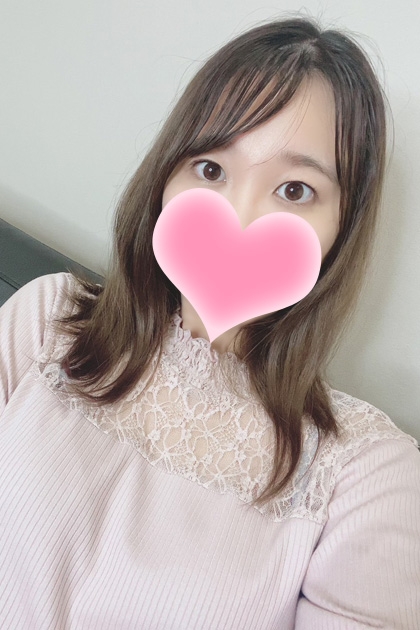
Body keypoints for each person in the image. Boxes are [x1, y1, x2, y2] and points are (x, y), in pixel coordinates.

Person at [0, 16, 419, 630]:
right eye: (212, 169)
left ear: (342, 228)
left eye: (295, 190)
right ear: (166, 177)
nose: (240, 215)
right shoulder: (48, 321)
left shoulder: (365, 474)